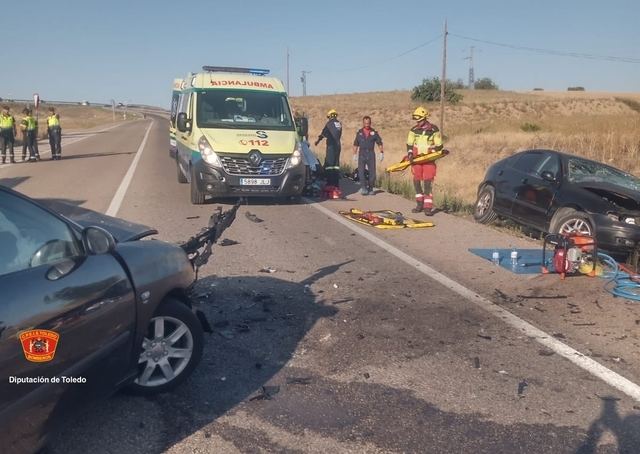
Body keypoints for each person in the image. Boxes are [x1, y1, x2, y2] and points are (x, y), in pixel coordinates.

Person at [406, 106, 443, 215]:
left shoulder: (434, 130)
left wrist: (432, 151)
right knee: (416, 182)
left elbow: (439, 145)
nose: (418, 122)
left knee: (427, 183)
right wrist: (410, 153)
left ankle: (428, 207)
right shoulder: (413, 130)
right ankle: (419, 204)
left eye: (420, 120)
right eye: (417, 120)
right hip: (416, 160)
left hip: (429, 161)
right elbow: (409, 143)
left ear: (425, 118)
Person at [352, 115, 384, 195]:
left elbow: (379, 143)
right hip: (362, 153)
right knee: (361, 172)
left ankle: (370, 188)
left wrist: (381, 152)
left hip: (370, 153)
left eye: (368, 123)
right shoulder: (359, 133)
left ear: (370, 123)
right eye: (365, 123)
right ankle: (363, 188)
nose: (367, 125)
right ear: (363, 123)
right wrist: (354, 154)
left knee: (372, 173)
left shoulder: (374, 133)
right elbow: (356, 144)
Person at [314, 109, 342, 188]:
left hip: (331, 146)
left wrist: (318, 141)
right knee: (336, 165)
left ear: (330, 116)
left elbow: (323, 134)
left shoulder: (329, 123)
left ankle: (330, 183)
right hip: (338, 146)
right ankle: (336, 184)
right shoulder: (339, 123)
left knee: (330, 165)